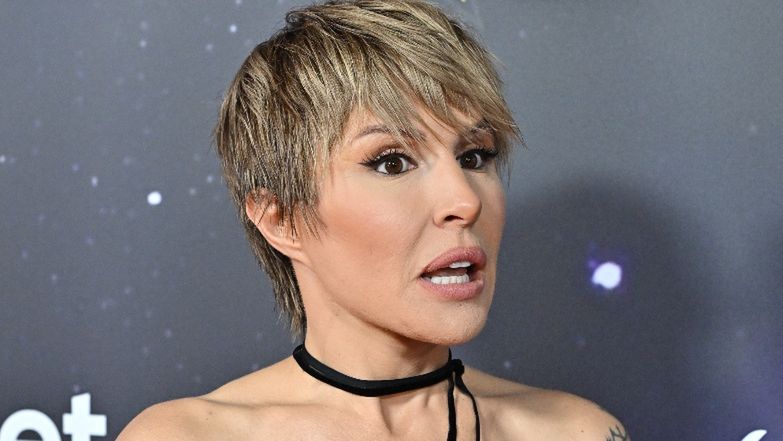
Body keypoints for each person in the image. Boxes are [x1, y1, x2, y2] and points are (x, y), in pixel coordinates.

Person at [118, 0, 629, 439]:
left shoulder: (575, 431)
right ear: (280, 220)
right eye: (392, 163)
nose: (464, 201)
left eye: (474, 157)